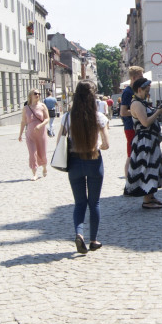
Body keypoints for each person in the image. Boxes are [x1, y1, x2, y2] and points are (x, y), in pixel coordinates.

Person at [56, 79, 110, 254]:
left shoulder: (67, 118)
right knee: (94, 203)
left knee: (79, 203)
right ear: (93, 97)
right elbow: (106, 144)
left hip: (74, 163)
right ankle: (93, 240)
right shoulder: (99, 117)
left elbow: (59, 142)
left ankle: (79, 234)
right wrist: (97, 145)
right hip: (94, 161)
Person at [124, 77, 162, 208]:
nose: (148, 93)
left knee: (155, 166)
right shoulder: (136, 104)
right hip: (144, 141)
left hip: (151, 140)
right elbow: (145, 122)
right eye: (147, 90)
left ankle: (151, 195)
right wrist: (158, 113)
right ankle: (146, 200)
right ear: (139, 89)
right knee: (147, 168)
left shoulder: (141, 102)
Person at [18, 89, 50, 180]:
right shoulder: (26, 108)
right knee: (32, 154)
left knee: (42, 154)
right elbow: (23, 121)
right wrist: (20, 134)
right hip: (30, 135)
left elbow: (47, 119)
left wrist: (41, 125)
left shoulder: (42, 106)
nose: (38, 95)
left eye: (39, 93)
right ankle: (34, 173)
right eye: (35, 93)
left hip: (41, 134)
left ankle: (44, 167)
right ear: (30, 95)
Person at [120, 66, 145, 172]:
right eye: (140, 76)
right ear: (134, 78)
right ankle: (127, 180)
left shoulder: (136, 90)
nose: (142, 78)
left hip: (137, 126)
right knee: (131, 155)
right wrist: (137, 113)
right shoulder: (128, 92)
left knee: (138, 153)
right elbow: (123, 112)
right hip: (130, 126)